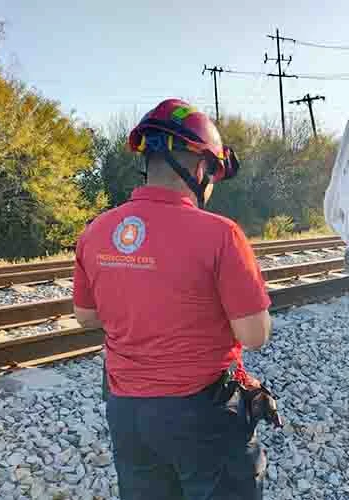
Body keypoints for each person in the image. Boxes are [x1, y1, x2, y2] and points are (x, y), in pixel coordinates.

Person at [73, 98, 274, 500]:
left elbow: (86, 317)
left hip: (127, 414)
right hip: (201, 413)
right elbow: (254, 334)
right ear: (199, 167)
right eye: (214, 173)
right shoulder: (221, 234)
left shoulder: (96, 231)